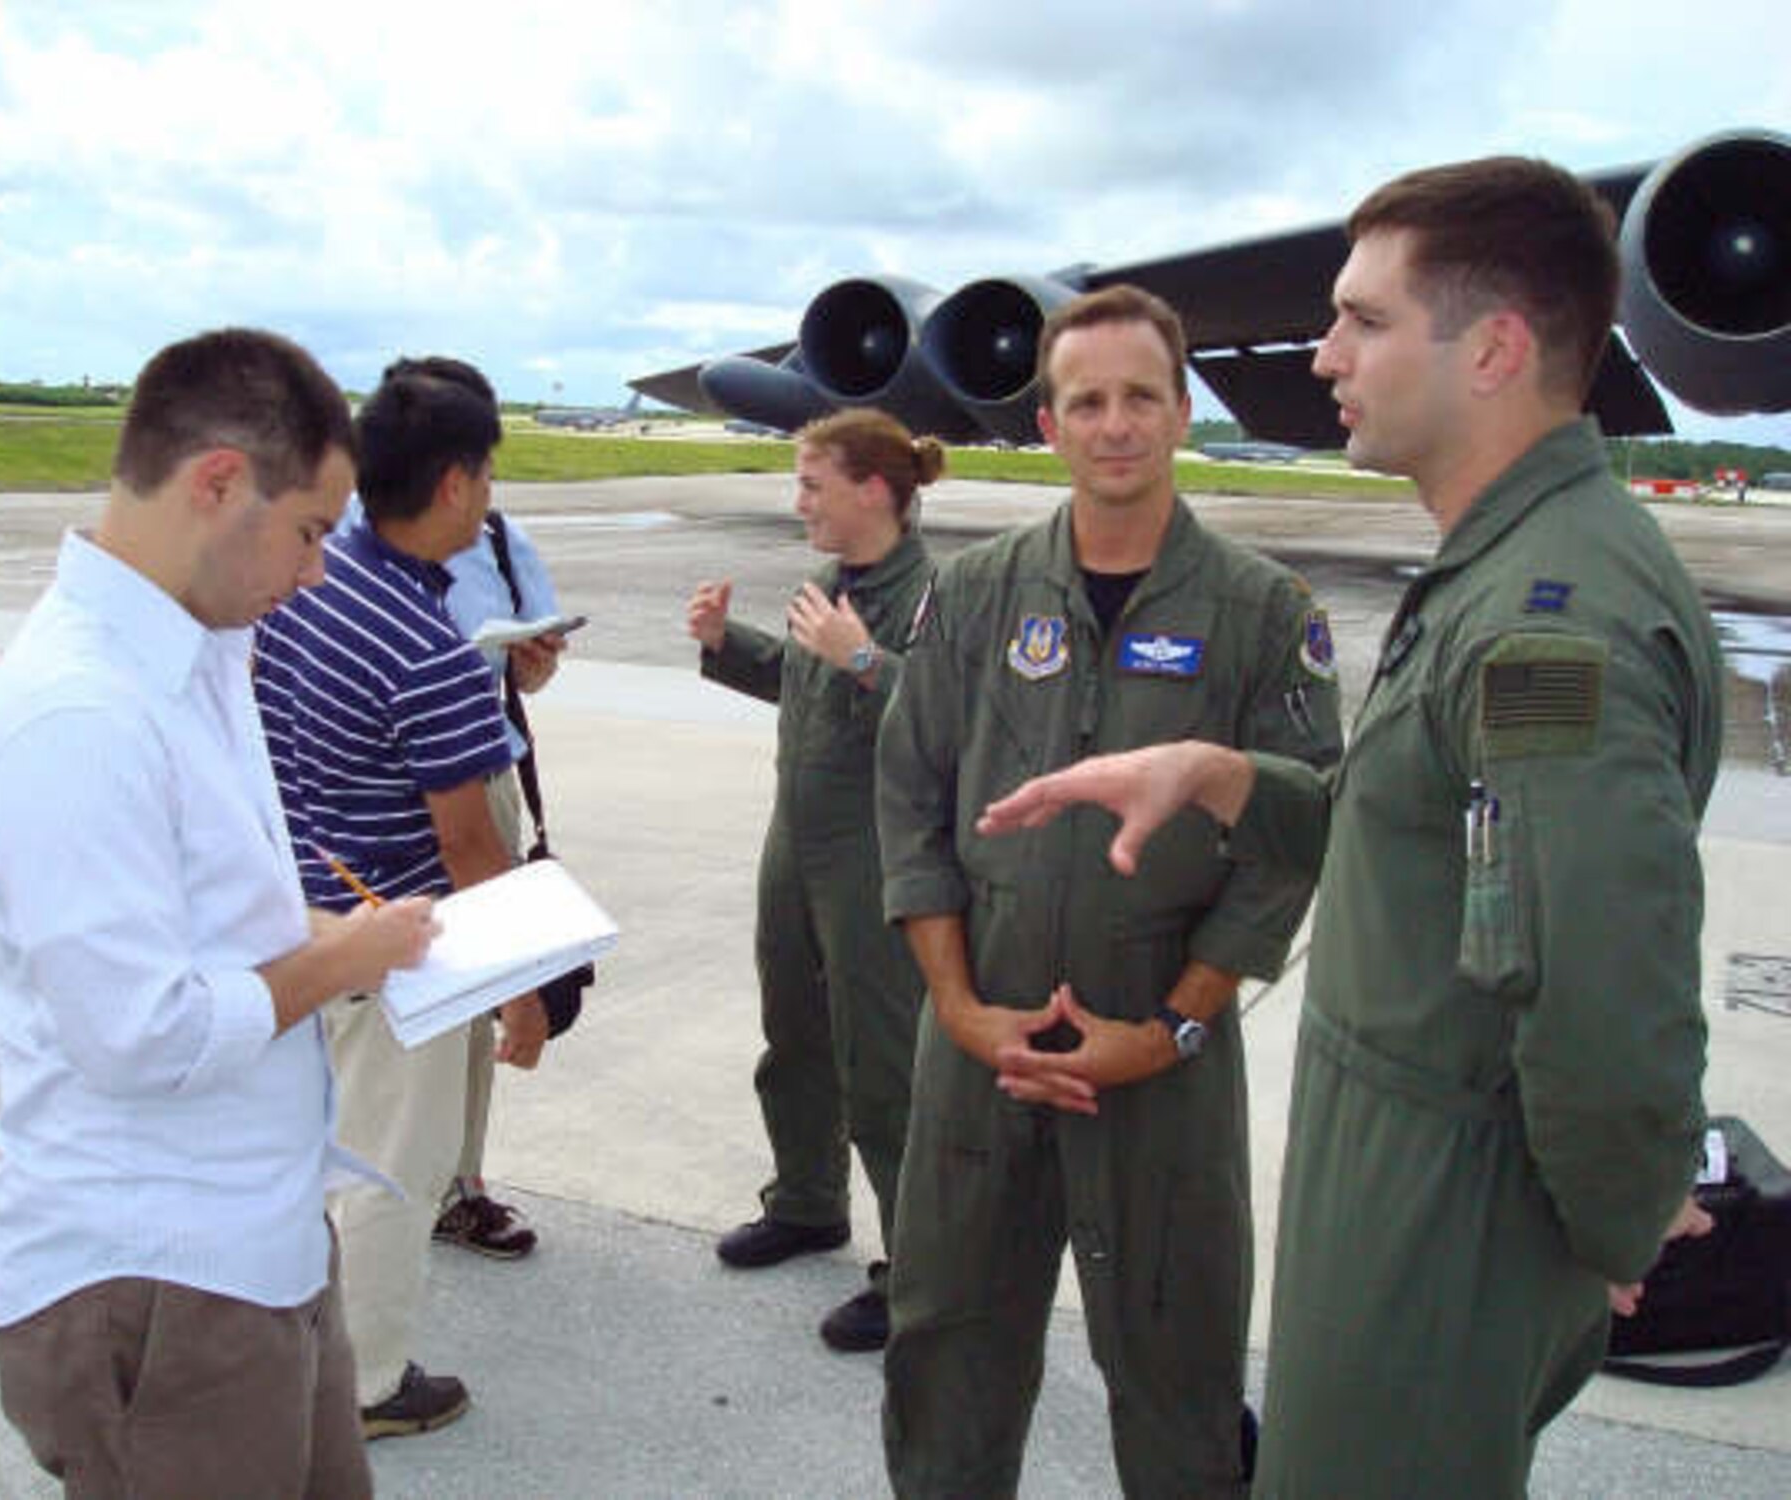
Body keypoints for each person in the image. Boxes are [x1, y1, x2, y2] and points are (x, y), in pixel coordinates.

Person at [976, 159, 1724, 1497]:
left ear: (1492, 349)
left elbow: (1605, 965)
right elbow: (1437, 834)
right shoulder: (1509, 563)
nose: (1322, 355)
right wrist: (1221, 773)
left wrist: (1621, 1211)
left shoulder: (1550, 628)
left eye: (1364, 321)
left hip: (1438, 1218)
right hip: (1413, 1182)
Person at [0, 327, 437, 1499]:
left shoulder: (198, 656)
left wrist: (364, 943)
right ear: (217, 481)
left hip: (251, 1245)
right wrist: (342, 956)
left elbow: (213, 928)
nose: (316, 573)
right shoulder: (81, 715)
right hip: (159, 1281)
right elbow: (140, 1033)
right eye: (311, 531)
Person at [875, 285, 1343, 1496]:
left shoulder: (1260, 613)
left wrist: (1174, 1025)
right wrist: (962, 1011)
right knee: (945, 1358)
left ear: (1182, 412)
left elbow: (1297, 832)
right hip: (982, 1048)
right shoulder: (973, 598)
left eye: (1141, 396)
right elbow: (910, 803)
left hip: (1159, 1063)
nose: (1114, 424)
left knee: (1177, 1371)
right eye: (1086, 401)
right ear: (1048, 425)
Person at [252, 355, 550, 1441]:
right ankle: (367, 1385)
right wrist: (529, 992)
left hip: (297, 922)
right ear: (456, 483)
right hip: (396, 947)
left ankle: (291, 1344)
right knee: (391, 1168)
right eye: (485, 478)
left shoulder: (310, 586)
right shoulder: (429, 650)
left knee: (310, 1152)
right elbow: (471, 846)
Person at [687, 408, 942, 1351]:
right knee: (791, 1032)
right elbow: (810, 687)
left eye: (812, 485)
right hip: (795, 842)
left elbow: (961, 721)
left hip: (877, 855)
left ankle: (918, 1267)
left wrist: (866, 659)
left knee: (881, 1062)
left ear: (873, 488)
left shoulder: (932, 597)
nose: (800, 504)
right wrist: (726, 641)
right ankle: (805, 1201)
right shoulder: (832, 586)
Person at [429, 506, 571, 1259]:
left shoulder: (497, 536)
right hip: (370, 785)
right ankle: (361, 1176)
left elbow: (534, 661)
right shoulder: (331, 527)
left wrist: (535, 661)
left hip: (480, 772)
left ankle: (457, 1187)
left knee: (471, 988)